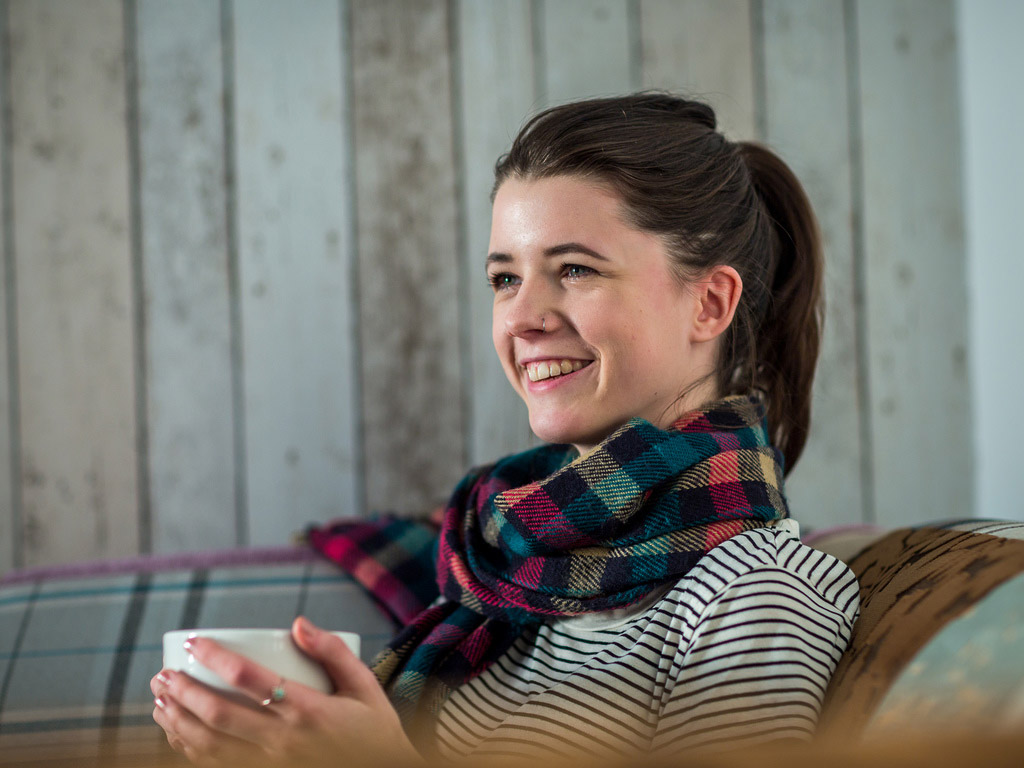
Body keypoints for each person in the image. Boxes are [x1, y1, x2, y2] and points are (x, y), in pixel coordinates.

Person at [151, 92, 859, 764]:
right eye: (504, 280)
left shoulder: (756, 592)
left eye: (575, 269)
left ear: (709, 302)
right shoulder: (501, 560)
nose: (522, 318)